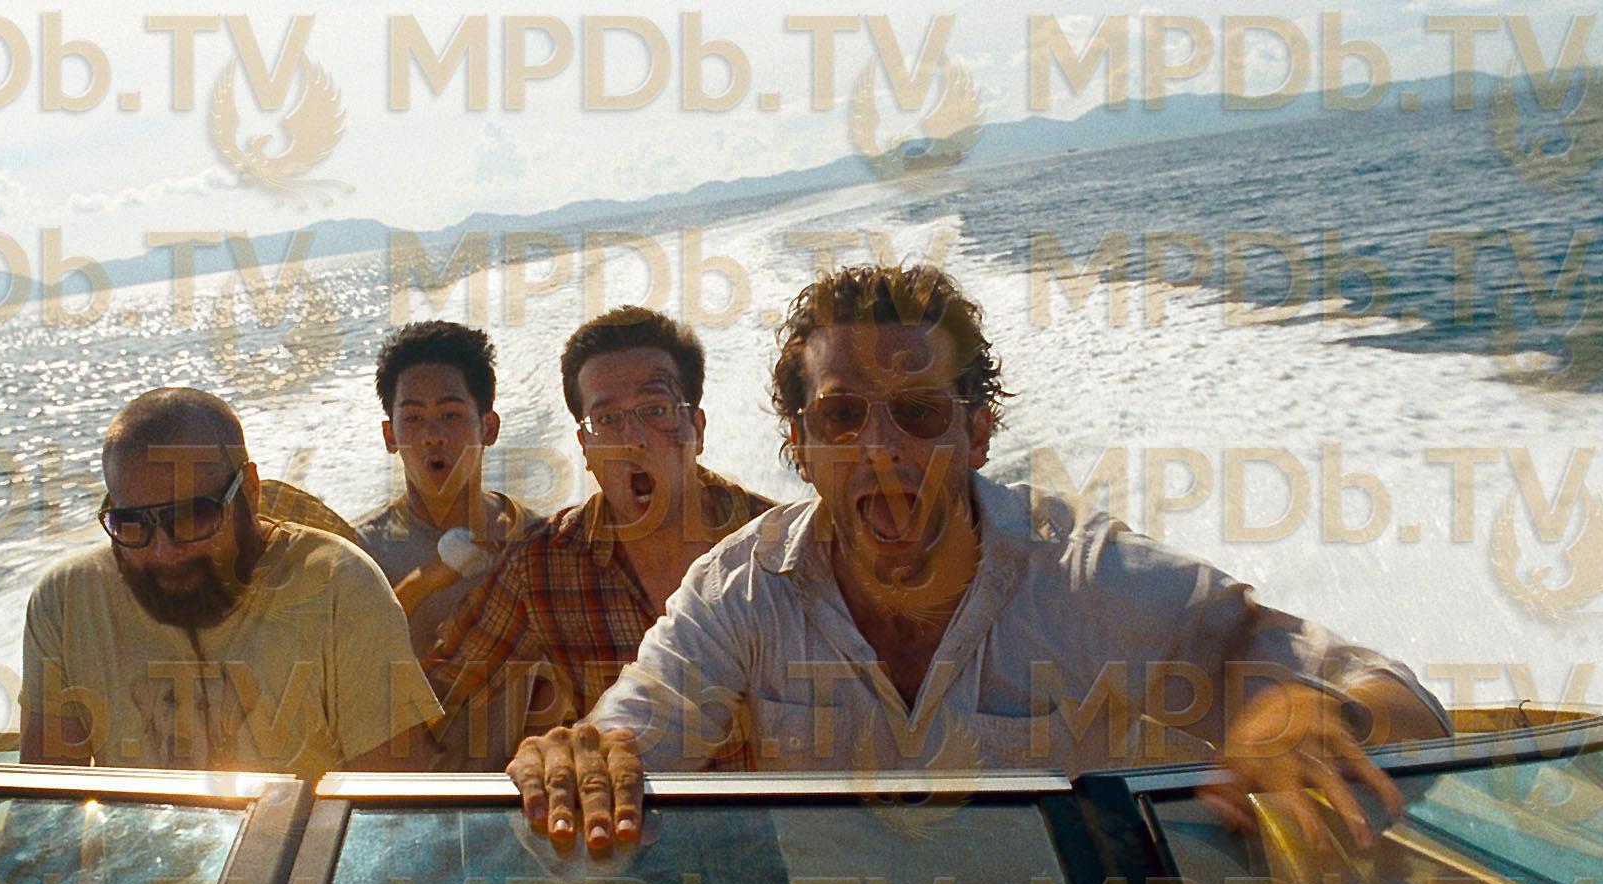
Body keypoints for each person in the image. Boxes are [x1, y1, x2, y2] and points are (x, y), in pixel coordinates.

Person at [507, 265, 1453, 849]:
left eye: (919, 412)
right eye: (842, 417)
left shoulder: (1084, 577)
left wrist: (1303, 709)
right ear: (799, 443)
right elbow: (633, 733)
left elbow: (1406, 706)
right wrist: (585, 755)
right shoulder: (742, 590)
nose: (881, 449)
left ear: (978, 432)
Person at [19, 387, 440, 778]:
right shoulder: (67, 602)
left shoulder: (340, 589)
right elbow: (48, 807)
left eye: (192, 516)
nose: (164, 552)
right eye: (132, 523)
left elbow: (391, 812)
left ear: (250, 490)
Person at [420, 306, 774, 770]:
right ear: (585, 447)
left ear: (698, 428)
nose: (633, 439)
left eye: (656, 410)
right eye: (606, 420)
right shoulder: (544, 564)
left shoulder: (780, 550)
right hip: (623, 811)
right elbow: (434, 693)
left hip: (782, 814)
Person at [354, 321, 538, 660]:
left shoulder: (536, 539)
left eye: (451, 415)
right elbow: (346, 671)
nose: (432, 435)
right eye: (412, 419)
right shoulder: (361, 555)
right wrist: (421, 583)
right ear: (390, 436)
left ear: (489, 427)